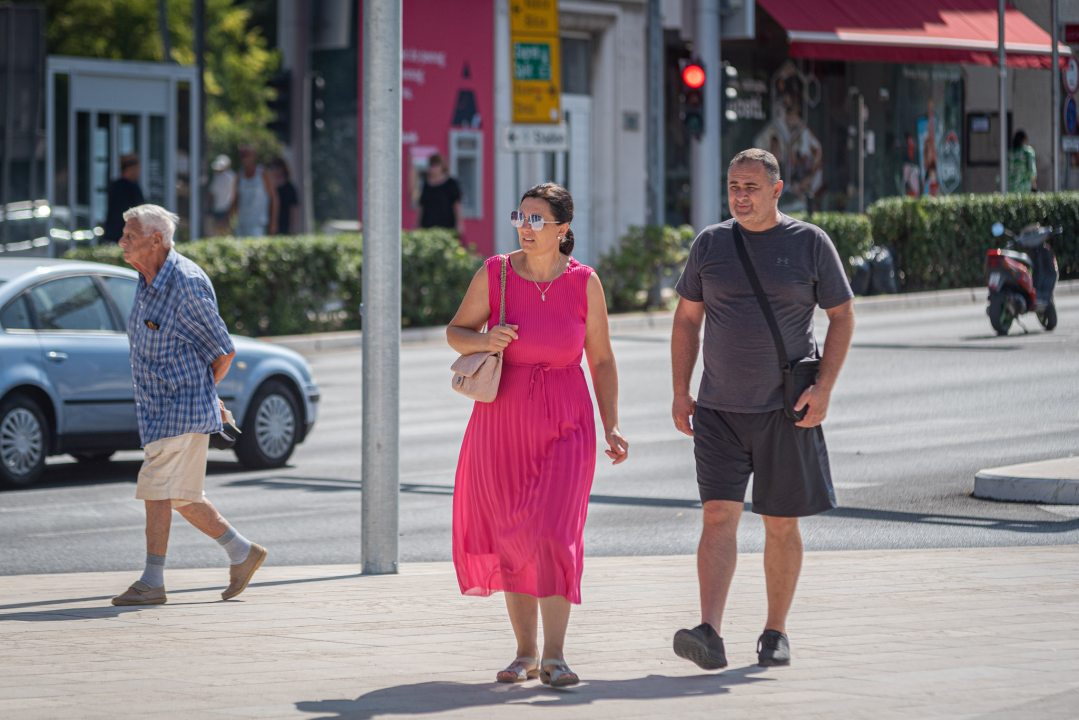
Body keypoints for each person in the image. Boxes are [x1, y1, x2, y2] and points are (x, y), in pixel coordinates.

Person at [670, 149, 855, 669]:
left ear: (777, 190)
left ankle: (775, 632)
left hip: (785, 409)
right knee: (717, 517)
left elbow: (842, 315)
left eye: (751, 186)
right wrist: (681, 390)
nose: (740, 195)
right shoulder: (710, 243)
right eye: (733, 186)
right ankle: (709, 630)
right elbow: (687, 320)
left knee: (780, 523)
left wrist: (824, 387)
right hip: (718, 411)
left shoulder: (809, 243)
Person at [447, 183, 629, 687]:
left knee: (553, 533)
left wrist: (610, 421)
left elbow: (603, 358)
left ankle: (556, 655)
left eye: (537, 220)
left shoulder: (584, 282)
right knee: (513, 536)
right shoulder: (497, 273)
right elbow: (455, 332)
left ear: (563, 229)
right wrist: (486, 338)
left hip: (568, 419)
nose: (525, 228)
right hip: (502, 421)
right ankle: (524, 654)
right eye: (520, 218)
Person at [111, 204, 268, 606]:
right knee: (182, 496)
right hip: (157, 408)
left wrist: (201, 393)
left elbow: (223, 351)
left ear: (156, 240)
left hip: (178, 408)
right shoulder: (148, 279)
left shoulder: (184, 283)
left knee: (156, 490)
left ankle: (152, 581)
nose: (121, 241)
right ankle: (242, 552)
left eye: (129, 235)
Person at [231, 144, 278, 237]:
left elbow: (274, 199)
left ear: (254, 156)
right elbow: (236, 200)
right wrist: (226, 219)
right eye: (243, 155)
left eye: (248, 155)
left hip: (259, 224)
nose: (245, 158)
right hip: (242, 223)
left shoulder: (263, 174)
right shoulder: (240, 176)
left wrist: (273, 223)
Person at [411, 153, 464, 235]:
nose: (433, 168)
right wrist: (418, 225)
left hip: (447, 226)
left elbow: (457, 204)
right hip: (428, 226)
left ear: (442, 166)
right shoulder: (425, 184)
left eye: (436, 165)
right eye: (431, 165)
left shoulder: (451, 183)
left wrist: (459, 223)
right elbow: (422, 205)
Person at [102, 154, 145, 242]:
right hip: (128, 231)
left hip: (112, 230)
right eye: (137, 169)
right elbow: (142, 209)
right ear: (130, 169)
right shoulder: (133, 187)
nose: (138, 172)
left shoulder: (114, 185)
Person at [270, 156, 298, 235]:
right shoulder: (270, 187)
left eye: (277, 167)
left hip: (284, 224)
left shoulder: (289, 187)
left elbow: (293, 208)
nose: (274, 170)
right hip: (270, 224)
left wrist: (292, 228)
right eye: (272, 167)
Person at [209, 154, 236, 236]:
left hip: (227, 208)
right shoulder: (218, 177)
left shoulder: (231, 177)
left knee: (225, 232)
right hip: (219, 208)